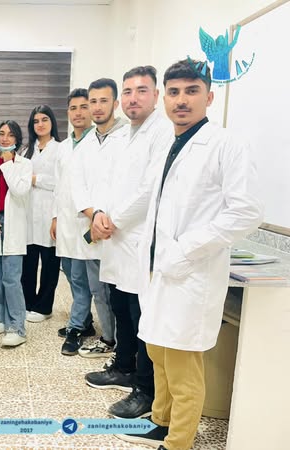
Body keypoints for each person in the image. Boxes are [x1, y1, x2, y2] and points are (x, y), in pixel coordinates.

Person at [116, 59, 262, 450]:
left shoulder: (225, 144)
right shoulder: (169, 142)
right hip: (158, 269)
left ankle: (178, 441)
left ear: (209, 97)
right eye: (175, 92)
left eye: (192, 91)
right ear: (165, 98)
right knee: (158, 352)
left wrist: (186, 249)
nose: (182, 100)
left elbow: (246, 211)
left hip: (190, 271)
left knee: (182, 363)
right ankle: (161, 421)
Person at [83, 66, 173, 420]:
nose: (134, 98)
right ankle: (122, 366)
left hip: (137, 238)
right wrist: (98, 213)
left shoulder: (162, 132)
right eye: (129, 92)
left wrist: (113, 219)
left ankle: (145, 388)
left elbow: (150, 189)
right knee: (120, 305)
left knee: (141, 316)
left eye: (142, 90)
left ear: (156, 95)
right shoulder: (125, 135)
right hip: (116, 238)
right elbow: (107, 182)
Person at [70, 78, 128, 358]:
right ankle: (108, 339)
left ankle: (126, 348)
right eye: (93, 101)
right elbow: (77, 186)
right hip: (94, 227)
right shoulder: (85, 145)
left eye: (103, 101)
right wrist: (94, 215)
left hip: (121, 229)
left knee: (121, 293)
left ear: (115, 103)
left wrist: (110, 218)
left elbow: (131, 185)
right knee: (98, 290)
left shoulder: (128, 137)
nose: (97, 107)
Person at [50, 88, 98, 355]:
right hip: (66, 221)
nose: (78, 113)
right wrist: (55, 217)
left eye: (83, 107)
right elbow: (58, 186)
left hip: (85, 221)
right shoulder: (64, 147)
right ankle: (86, 320)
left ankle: (76, 328)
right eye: (73, 108)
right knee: (69, 273)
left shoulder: (98, 142)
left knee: (80, 278)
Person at [0, 120, 32, 347]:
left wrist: (7, 164)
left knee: (11, 278)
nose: (5, 138)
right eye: (1, 133)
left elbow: (20, 190)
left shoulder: (24, 164)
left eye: (10, 134)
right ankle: (0, 318)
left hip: (13, 224)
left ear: (17, 139)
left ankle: (17, 327)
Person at [21, 105, 61, 323]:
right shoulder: (26, 150)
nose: (40, 124)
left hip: (50, 212)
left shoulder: (60, 149)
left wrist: (35, 179)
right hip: (28, 213)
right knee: (28, 263)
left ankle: (44, 307)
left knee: (49, 263)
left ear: (52, 122)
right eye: (36, 121)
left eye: (45, 119)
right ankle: (27, 303)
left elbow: (60, 183)